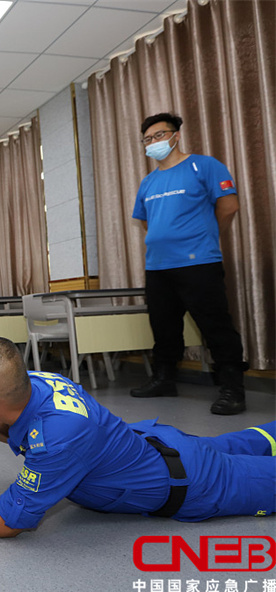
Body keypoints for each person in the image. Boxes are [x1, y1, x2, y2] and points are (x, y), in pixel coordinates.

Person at [0, 337, 274, 537]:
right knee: (259, 438)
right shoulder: (38, 381)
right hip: (166, 445)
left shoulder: (58, 438)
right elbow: (28, 429)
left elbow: (9, 522)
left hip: (193, 481)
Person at [130, 113, 245, 415]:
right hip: (158, 267)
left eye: (159, 135)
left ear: (176, 135)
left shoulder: (204, 166)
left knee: (215, 325)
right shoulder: (148, 182)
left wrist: (206, 236)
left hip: (198, 263)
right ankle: (164, 378)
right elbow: (144, 221)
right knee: (164, 327)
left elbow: (229, 205)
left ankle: (232, 388)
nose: (153, 142)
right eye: (147, 139)